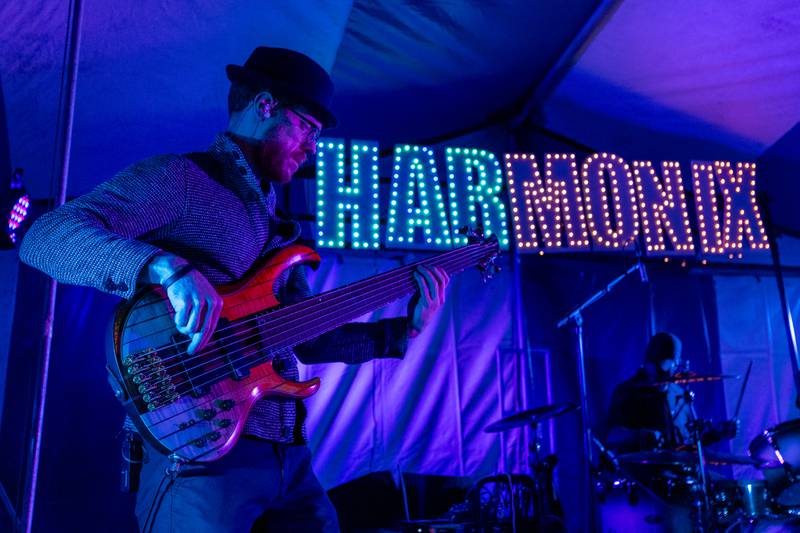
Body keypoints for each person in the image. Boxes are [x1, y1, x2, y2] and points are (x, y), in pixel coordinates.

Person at [19, 46, 449, 532]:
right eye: (307, 127)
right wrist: (165, 268)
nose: (311, 147)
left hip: (289, 454)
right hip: (200, 453)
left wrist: (402, 333)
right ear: (265, 105)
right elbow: (44, 236)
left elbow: (303, 337)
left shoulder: (283, 230)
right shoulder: (182, 180)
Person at [606, 332, 737, 452]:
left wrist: (717, 434)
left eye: (673, 365)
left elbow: (689, 442)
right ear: (648, 363)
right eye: (664, 364)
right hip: (644, 474)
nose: (669, 371)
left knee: (724, 479)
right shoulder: (627, 392)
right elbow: (611, 436)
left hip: (681, 473)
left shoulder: (678, 394)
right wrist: (641, 435)